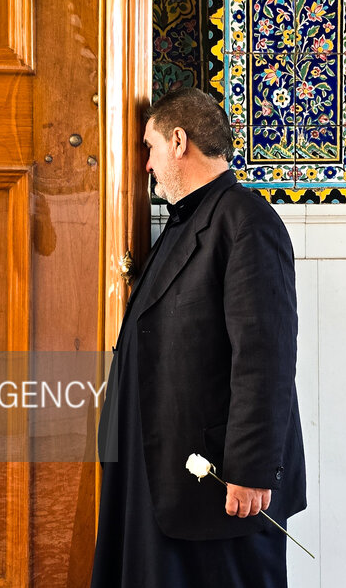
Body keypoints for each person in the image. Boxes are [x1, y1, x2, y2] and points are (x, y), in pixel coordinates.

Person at [91, 87, 306, 588]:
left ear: (179, 141)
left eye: (150, 147)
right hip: (165, 481)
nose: (146, 164)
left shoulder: (246, 220)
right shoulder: (188, 223)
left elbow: (266, 355)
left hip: (221, 489)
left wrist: (251, 468)